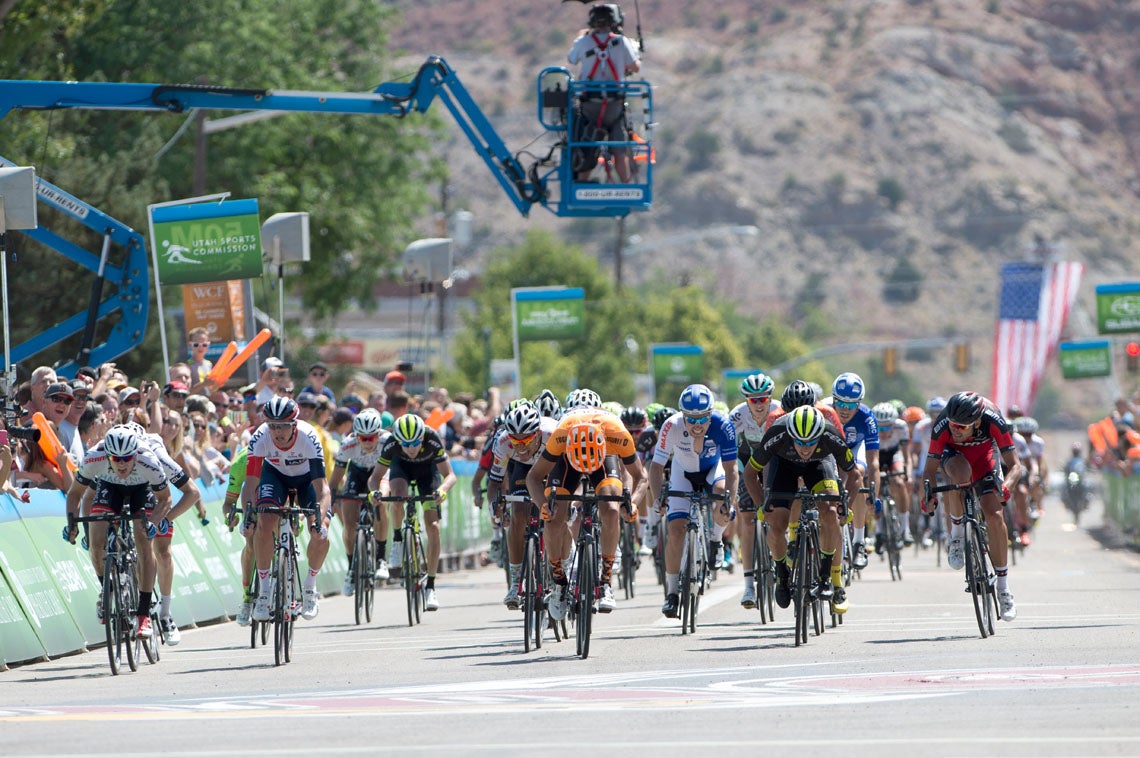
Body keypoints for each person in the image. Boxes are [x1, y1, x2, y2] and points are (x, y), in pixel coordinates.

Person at [525, 403, 646, 617]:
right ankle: (559, 582)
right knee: (554, 516)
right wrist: (542, 505)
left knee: (610, 508)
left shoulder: (617, 434)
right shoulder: (560, 436)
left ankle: (605, 581)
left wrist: (633, 502)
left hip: (603, 456)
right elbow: (533, 478)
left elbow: (641, 477)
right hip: (567, 460)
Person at [743, 405, 856, 615]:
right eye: (800, 442)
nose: (805, 448)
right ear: (790, 435)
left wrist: (844, 503)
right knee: (776, 525)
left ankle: (832, 581)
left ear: (820, 436)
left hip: (819, 465)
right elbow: (750, 474)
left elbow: (855, 475)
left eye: (811, 442)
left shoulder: (830, 435)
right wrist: (762, 505)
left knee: (830, 514)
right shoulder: (777, 434)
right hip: (784, 466)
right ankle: (782, 573)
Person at [919, 391, 1021, 621]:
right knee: (959, 477)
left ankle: (1003, 589)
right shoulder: (943, 424)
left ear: (977, 422)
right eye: (954, 425)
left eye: (962, 428)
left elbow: (1015, 466)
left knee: (995, 516)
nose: (956, 430)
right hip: (954, 457)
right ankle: (956, 536)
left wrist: (1006, 487)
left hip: (984, 456)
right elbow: (929, 470)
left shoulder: (993, 419)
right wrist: (928, 495)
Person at [64, 426, 173, 638]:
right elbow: (75, 494)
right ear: (107, 454)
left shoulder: (148, 460)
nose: (122, 464)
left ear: (136, 453)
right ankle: (108, 590)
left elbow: (166, 499)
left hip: (142, 490)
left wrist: (154, 522)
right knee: (96, 544)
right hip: (110, 487)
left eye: (127, 458)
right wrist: (73, 524)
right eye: (115, 458)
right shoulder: (94, 457)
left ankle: (143, 615)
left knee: (143, 539)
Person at [649, 384, 738, 618]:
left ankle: (716, 540)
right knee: (676, 530)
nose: (697, 425)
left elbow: (731, 470)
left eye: (703, 418)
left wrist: (729, 500)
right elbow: (656, 466)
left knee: (721, 493)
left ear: (711, 414)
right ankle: (671, 593)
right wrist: (658, 498)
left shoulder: (723, 425)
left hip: (712, 470)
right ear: (683, 415)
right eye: (692, 419)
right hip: (683, 473)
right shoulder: (672, 425)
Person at [242, 396, 333, 622]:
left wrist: (319, 521)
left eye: (283, 426)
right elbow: (250, 484)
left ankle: (310, 588)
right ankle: (264, 592)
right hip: (275, 477)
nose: (277, 432)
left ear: (294, 425)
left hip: (306, 481)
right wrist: (248, 515)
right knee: (264, 522)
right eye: (273, 426)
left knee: (320, 532)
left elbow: (323, 489)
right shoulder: (260, 438)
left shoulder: (309, 437)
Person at [366, 413, 457, 611]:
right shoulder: (391, 444)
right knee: (398, 495)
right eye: (405, 444)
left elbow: (449, 475)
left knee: (433, 526)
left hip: (428, 473)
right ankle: (398, 539)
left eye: (415, 442)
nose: (411, 448)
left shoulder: (432, 438)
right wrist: (374, 492)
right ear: (398, 440)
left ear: (422, 437)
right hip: (402, 470)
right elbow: (375, 478)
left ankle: (431, 586)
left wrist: (442, 491)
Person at [486, 402, 556, 609]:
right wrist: (495, 505)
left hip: (552, 463)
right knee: (517, 513)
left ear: (537, 433)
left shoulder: (552, 433)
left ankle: (561, 565)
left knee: (557, 510)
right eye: (516, 441)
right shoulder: (503, 442)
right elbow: (494, 482)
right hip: (522, 469)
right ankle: (516, 582)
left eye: (526, 440)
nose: (521, 446)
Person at [567, 3, 641, 183]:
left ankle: (582, 182)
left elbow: (571, 59)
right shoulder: (621, 42)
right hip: (614, 106)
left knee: (587, 143)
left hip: (590, 106)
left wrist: (582, 37)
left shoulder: (583, 42)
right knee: (619, 146)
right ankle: (625, 184)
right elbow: (635, 67)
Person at [727, 373, 780, 608]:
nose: (759, 405)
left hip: (773, 460)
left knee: (777, 512)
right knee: (748, 520)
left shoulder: (780, 411)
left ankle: (780, 559)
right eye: (753, 400)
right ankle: (748, 586)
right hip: (745, 462)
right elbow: (728, 450)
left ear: (770, 398)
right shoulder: (737, 415)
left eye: (763, 399)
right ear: (747, 401)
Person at [329, 408, 391, 598]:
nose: (367, 442)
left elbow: (392, 475)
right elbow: (335, 479)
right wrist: (331, 498)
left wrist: (384, 494)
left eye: (371, 438)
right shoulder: (348, 444)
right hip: (357, 473)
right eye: (363, 438)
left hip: (380, 473)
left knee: (380, 501)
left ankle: (380, 558)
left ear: (378, 434)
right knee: (349, 520)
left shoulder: (387, 441)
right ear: (356, 436)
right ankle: (352, 570)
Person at [823, 372, 879, 571]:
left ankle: (859, 541)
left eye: (851, 405)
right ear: (833, 400)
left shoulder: (867, 417)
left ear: (859, 403)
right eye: (841, 404)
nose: (845, 410)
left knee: (858, 473)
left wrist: (874, 495)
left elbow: (874, 463)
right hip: (830, 450)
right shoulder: (823, 411)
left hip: (856, 449)